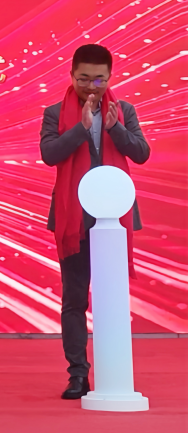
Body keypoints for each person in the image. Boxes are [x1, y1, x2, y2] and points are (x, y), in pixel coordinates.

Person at [40, 43, 150, 399]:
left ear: (110, 77)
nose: (91, 86)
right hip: (72, 217)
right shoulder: (55, 112)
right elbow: (49, 154)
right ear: (71, 76)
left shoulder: (124, 110)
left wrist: (116, 129)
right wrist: (81, 128)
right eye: (84, 78)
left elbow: (141, 153)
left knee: (111, 298)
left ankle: (112, 370)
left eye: (99, 79)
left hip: (114, 220)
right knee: (74, 299)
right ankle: (77, 374)